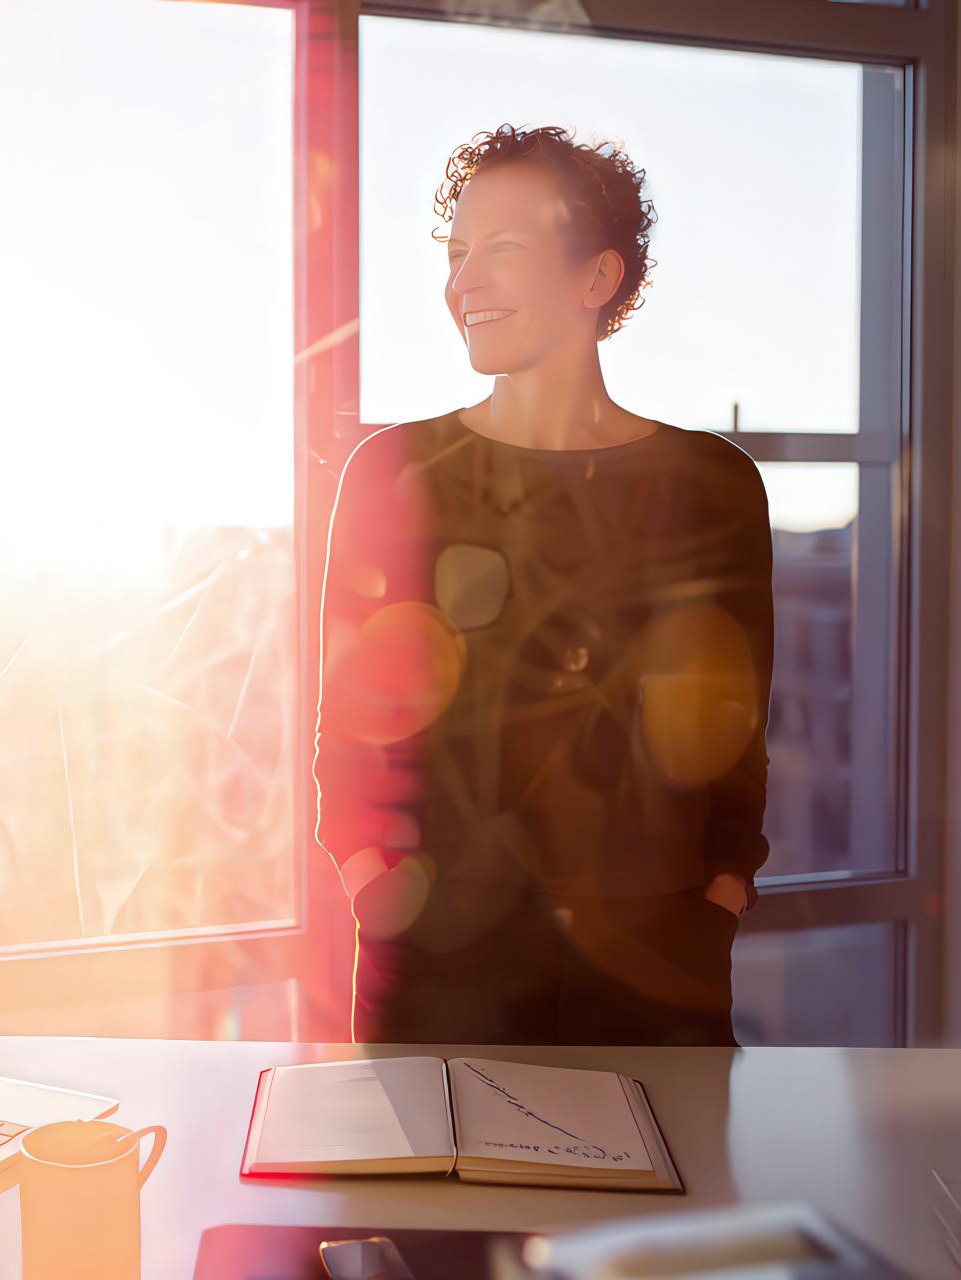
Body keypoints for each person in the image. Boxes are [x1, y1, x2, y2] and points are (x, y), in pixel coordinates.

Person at [313, 124, 774, 1047]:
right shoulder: (393, 470)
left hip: (659, 969)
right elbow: (348, 739)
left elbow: (735, 735)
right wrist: (378, 883)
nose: (463, 282)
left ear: (597, 279)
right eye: (456, 253)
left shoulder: (714, 485)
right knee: (428, 1199)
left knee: (667, 1195)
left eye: (504, 249)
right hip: (436, 966)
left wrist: (716, 900)